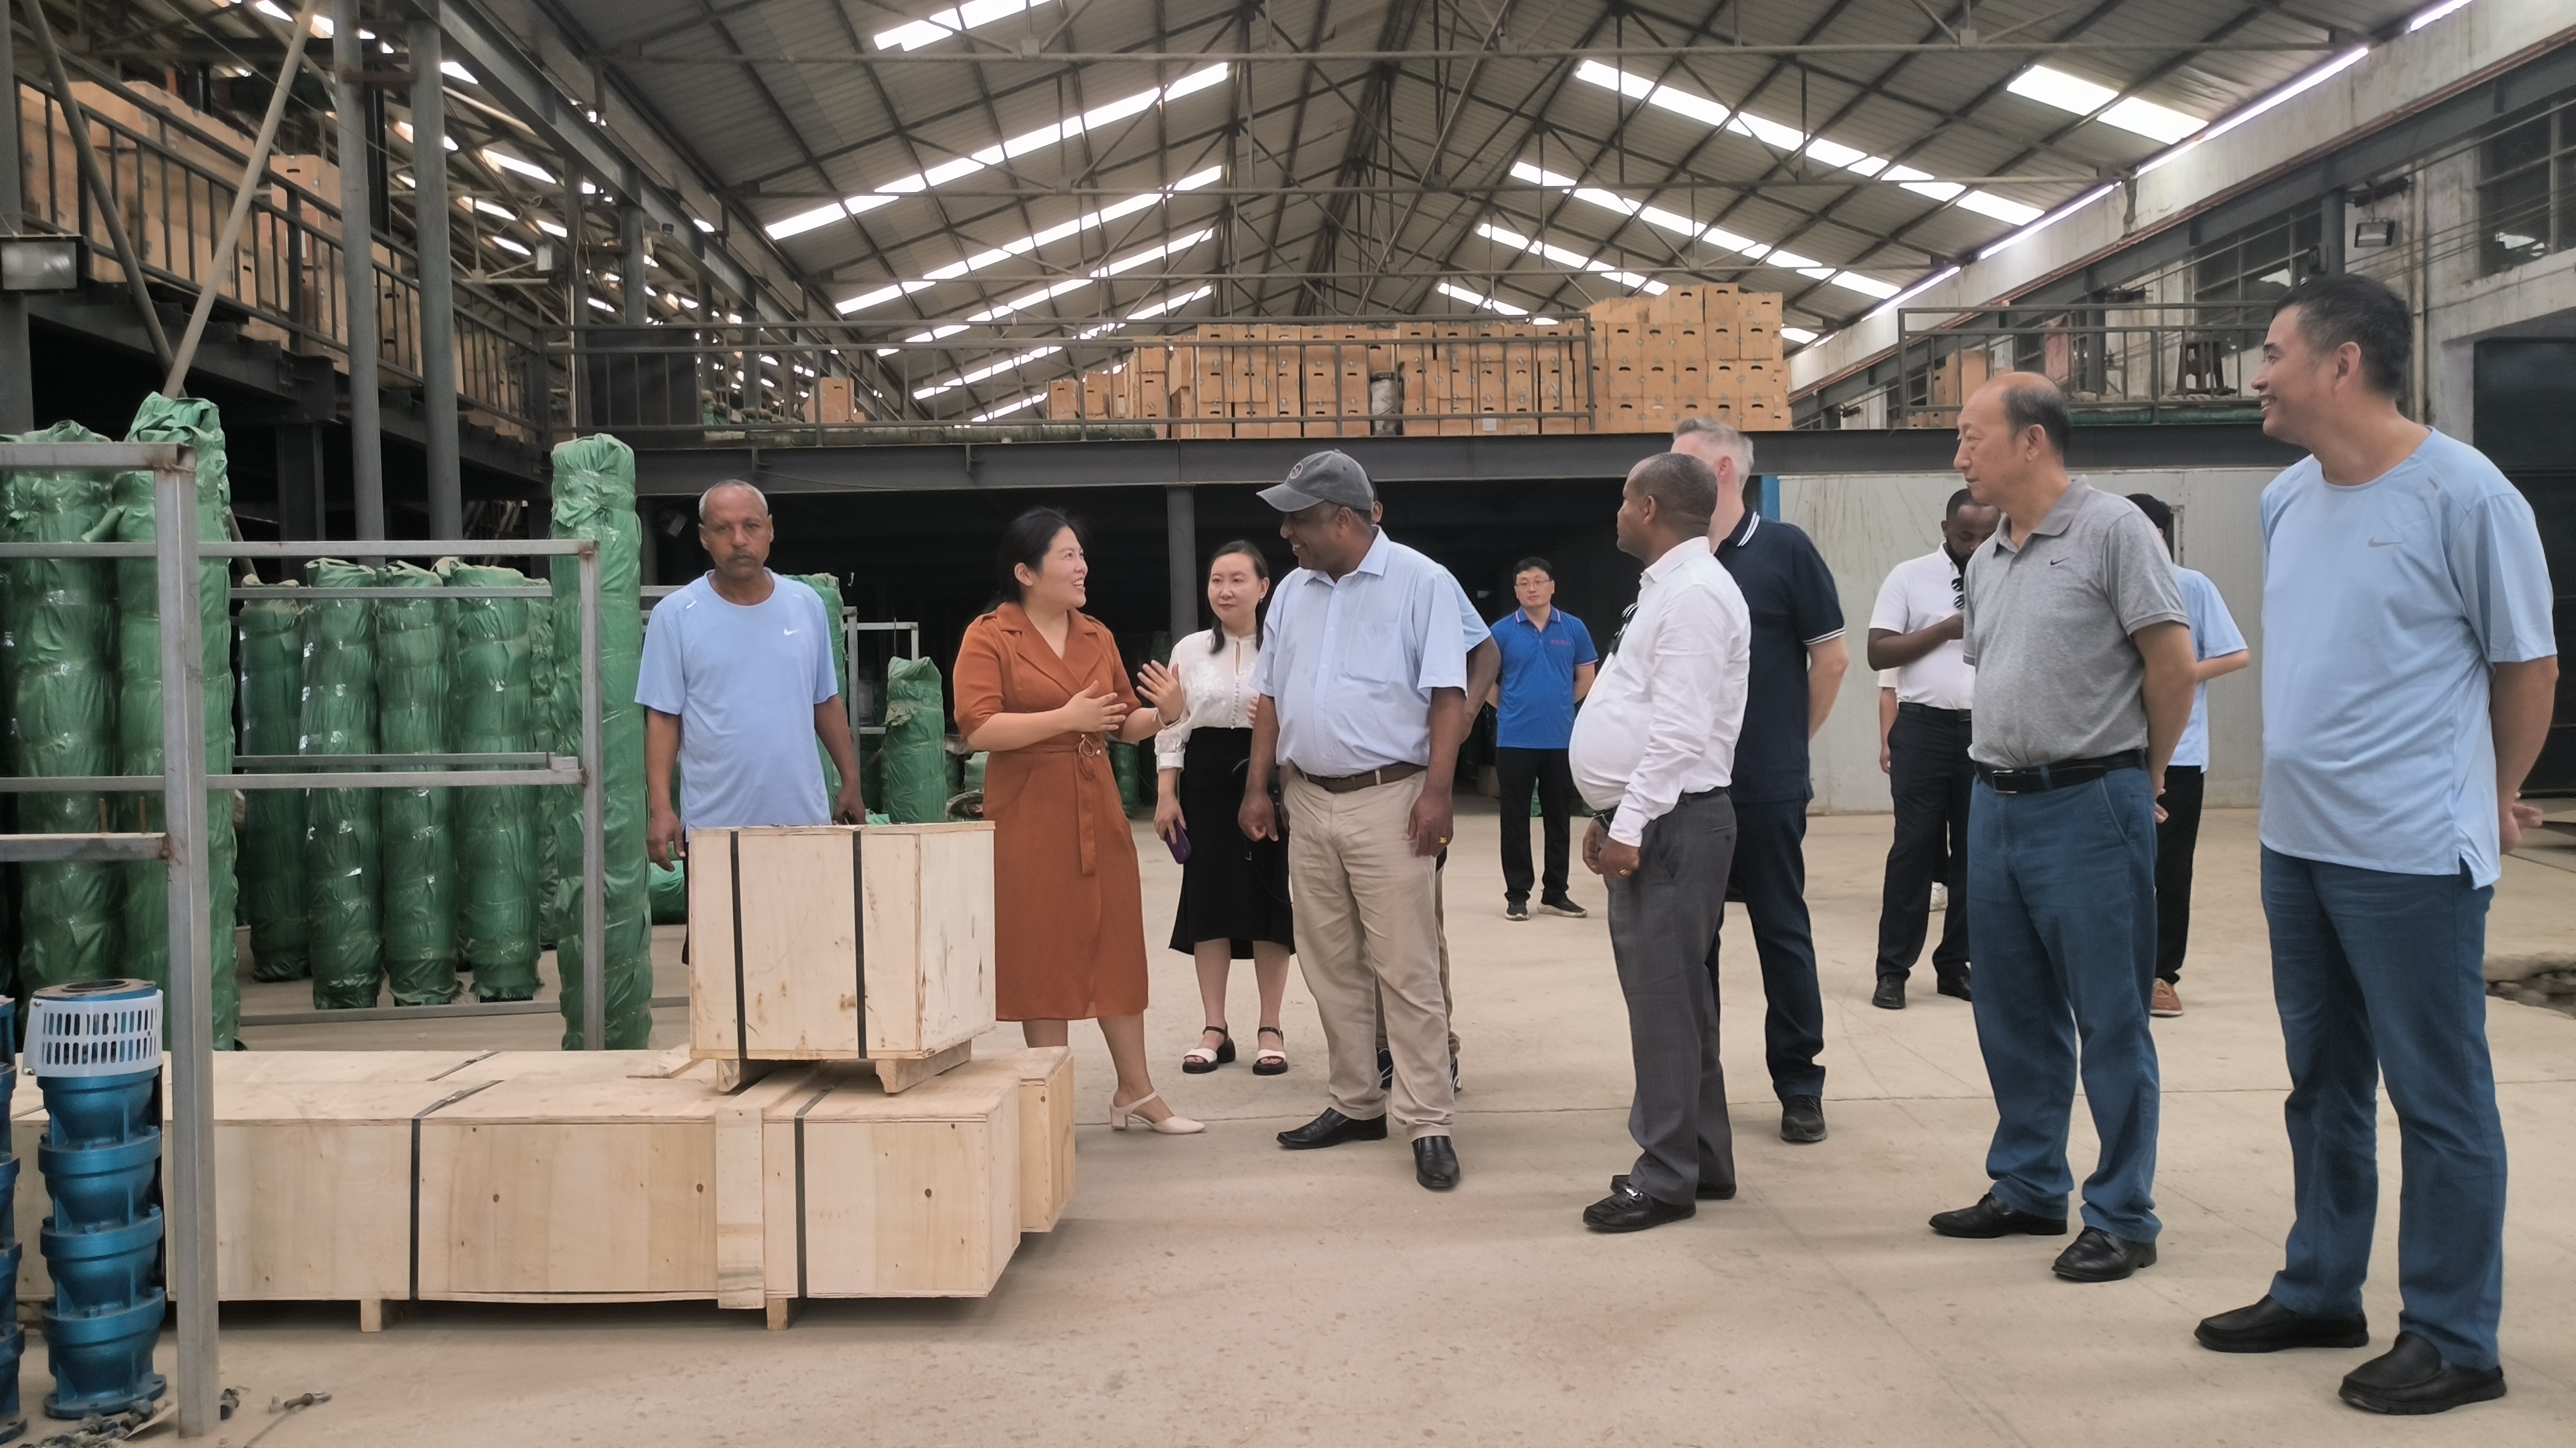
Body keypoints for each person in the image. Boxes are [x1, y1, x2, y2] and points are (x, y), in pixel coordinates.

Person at [2194, 273, 2556, 1416]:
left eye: (2271, 351)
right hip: (2297, 842)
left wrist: (2495, 792)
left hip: (2410, 852)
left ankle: (2455, 1335)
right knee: (2324, 1082)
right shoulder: (2287, 498)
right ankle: (2320, 1287)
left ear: (2341, 363)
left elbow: (2527, 663)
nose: (2256, 374)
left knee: (2437, 1096)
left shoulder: (2468, 493)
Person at [1925, 373, 2196, 1285]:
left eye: (1973, 436)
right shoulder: (1990, 557)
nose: (1960, 455)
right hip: (1995, 803)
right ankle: (2030, 1183)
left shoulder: (2115, 530)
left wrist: (2145, 774)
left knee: (2111, 1015)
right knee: (2011, 1008)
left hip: (2089, 799)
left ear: (2032, 440)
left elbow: (2172, 666)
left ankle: (2122, 1213)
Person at [1241, 450, 1473, 1191]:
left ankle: (1427, 1119)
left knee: (1406, 967)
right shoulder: (1292, 593)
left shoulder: (1421, 582)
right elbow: (1270, 696)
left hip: (1391, 798)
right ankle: (1355, 1102)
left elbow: (1448, 692)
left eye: (1298, 519)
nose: (1286, 533)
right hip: (1308, 799)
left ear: (1342, 518)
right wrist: (1257, 787)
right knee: (1330, 963)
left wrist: (1437, 793)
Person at [954, 509, 1202, 1135]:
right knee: (1044, 949)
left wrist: (1169, 714)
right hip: (1029, 810)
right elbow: (978, 727)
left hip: (1095, 802)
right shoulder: (990, 635)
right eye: (1067, 556)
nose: (1081, 566)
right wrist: (1065, 719)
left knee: (1114, 944)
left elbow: (1122, 723)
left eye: (1081, 555)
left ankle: (1135, 1090)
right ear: (1025, 572)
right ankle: (1049, 1099)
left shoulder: (1095, 635)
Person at [1571, 451, 1750, 1233]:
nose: (1617, 512)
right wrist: (1610, 807)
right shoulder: (1669, 589)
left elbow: (1680, 734)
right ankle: (1701, 1156)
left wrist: (1630, 823)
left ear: (1648, 508)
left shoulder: (1696, 595)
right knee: (1681, 1000)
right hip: (1658, 816)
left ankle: (1666, 1173)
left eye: (1623, 499)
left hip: (1672, 823)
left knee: (1662, 1005)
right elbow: (1642, 714)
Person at [1672, 418, 1848, 1144]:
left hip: (1764, 788)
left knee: (1781, 931)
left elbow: (1830, 659)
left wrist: (1785, 747)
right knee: (1693, 944)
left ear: (1721, 470)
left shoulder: (1784, 550)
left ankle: (1799, 1083)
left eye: (1677, 463)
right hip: (1689, 790)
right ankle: (1696, 1086)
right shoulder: (1676, 561)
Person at [641, 480, 865, 867]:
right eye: (723, 528)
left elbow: (825, 700)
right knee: (721, 911)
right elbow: (663, 717)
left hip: (803, 823)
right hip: (715, 829)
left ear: (770, 530)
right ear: (704, 537)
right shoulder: (675, 615)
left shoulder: (806, 605)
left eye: (751, 526)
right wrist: (661, 809)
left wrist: (851, 781)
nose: (739, 540)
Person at [1141, 543, 1295, 1077]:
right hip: (1204, 781)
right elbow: (1172, 725)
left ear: (1264, 587)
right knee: (1207, 899)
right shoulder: (1189, 650)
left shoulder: (1284, 649)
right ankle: (1215, 1028)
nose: (1225, 591)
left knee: (1268, 900)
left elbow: (1310, 719)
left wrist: (1275, 719)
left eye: (1237, 580)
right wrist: (1167, 793)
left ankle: (1271, 1027)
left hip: (1266, 777)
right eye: (1216, 580)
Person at [1865, 489, 2000, 1010]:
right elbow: (1879, 650)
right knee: (1914, 850)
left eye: (1987, 536)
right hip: (1922, 729)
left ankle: (1955, 965)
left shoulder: (2009, 575)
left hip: (1985, 731)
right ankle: (1893, 970)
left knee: (1974, 853)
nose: (1976, 546)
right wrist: (1945, 629)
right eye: (1966, 536)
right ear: (1945, 529)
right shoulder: (1910, 576)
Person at [2122, 494, 2248, 1019]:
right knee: (2110, 867)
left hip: (2178, 752)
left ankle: (2161, 974)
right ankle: (2113, 970)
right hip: (2112, 748)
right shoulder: (2105, 584)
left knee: (2169, 868)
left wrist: (2176, 673)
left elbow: (2236, 654)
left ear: (2159, 535)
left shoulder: (2191, 586)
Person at [1486, 557, 1597, 922]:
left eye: (1538, 581)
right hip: (1514, 739)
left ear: (1552, 586)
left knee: (1558, 819)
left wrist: (1562, 705)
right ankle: (1517, 895)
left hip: (1560, 739)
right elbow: (1484, 680)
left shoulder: (1574, 628)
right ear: (1516, 591)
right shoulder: (1502, 631)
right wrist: (1509, 707)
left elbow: (1586, 677)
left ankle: (1555, 894)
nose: (1531, 588)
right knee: (1515, 820)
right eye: (1523, 583)